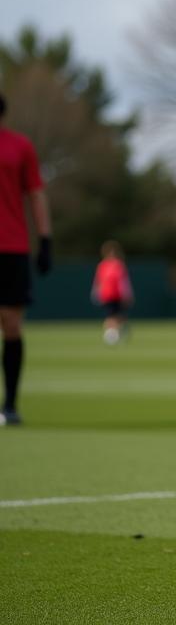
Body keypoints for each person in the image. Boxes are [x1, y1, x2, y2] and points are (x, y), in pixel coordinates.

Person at [0, 92, 52, 427]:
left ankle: (10, 405)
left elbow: (35, 194)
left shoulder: (19, 147)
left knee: (12, 323)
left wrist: (45, 240)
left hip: (11, 246)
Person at [92, 240, 133, 345]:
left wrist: (127, 294)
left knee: (118, 316)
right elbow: (98, 281)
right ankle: (111, 336)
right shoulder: (102, 266)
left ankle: (118, 331)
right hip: (107, 295)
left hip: (118, 295)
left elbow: (124, 282)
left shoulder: (119, 265)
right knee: (110, 316)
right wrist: (96, 293)